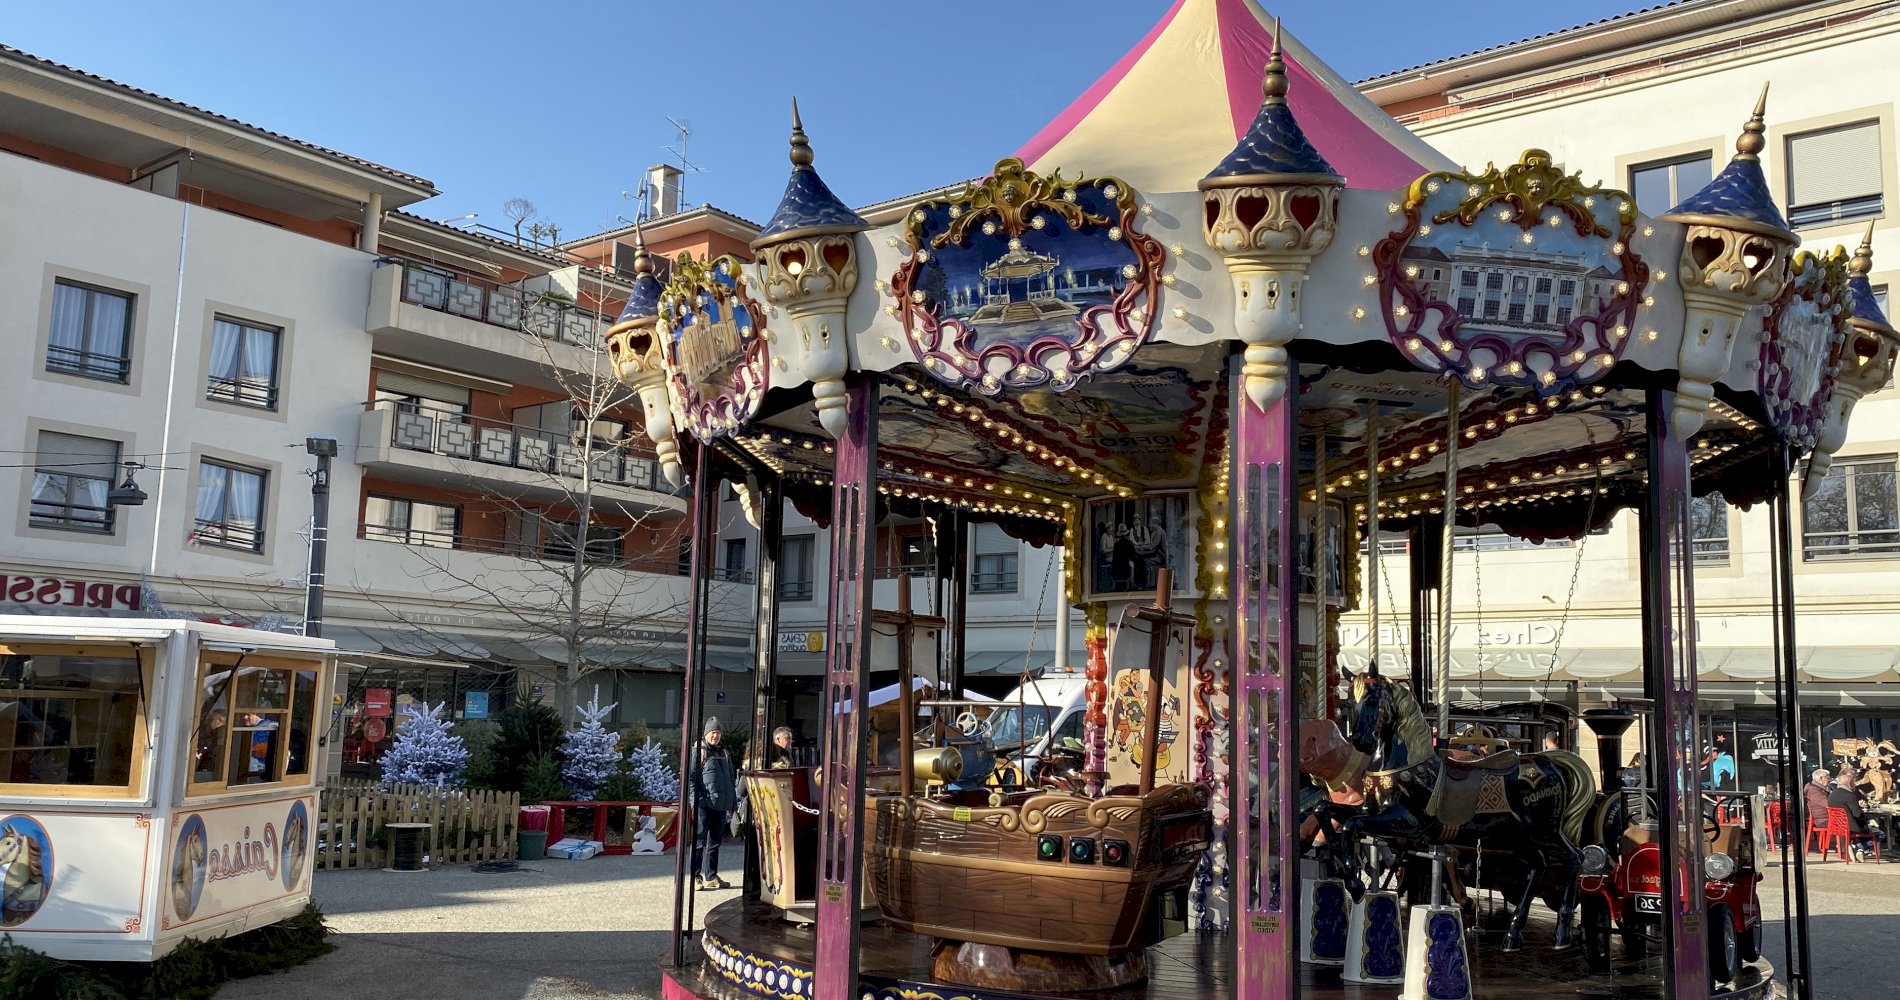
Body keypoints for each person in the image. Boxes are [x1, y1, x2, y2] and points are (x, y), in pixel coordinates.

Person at [690, 717, 739, 890]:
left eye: (718, 733)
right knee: (699, 841)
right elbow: (691, 780)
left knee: (715, 842)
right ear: (706, 734)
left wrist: (733, 802)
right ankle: (695, 877)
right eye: (712, 733)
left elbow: (731, 779)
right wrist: (698, 801)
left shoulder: (724, 753)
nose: (715, 736)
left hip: (721, 805)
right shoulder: (699, 752)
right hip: (704, 806)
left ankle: (711, 876)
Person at [1828, 765, 1884, 860]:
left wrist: (1861, 806)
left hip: (1839, 826)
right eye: (1853, 780)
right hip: (1852, 827)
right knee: (1880, 833)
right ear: (1850, 783)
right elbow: (1857, 814)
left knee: (1867, 828)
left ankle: (1857, 848)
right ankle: (1859, 848)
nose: (1855, 781)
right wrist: (1867, 820)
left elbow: (1848, 808)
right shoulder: (1849, 795)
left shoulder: (1832, 794)